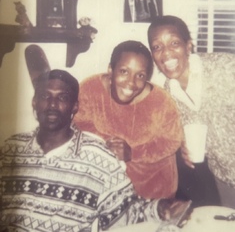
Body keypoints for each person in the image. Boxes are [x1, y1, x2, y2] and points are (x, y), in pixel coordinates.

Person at [0, 69, 191, 231]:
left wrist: (162, 208)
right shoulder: (10, 150)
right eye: (45, 96)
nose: (52, 104)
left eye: (62, 98)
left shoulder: (98, 158)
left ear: (74, 107)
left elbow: (127, 212)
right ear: (34, 102)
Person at [73, 40, 183, 200]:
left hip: (154, 191)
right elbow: (80, 123)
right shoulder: (90, 89)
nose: (131, 83)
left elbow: (171, 141)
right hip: (106, 190)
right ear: (111, 69)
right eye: (124, 71)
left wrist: (132, 152)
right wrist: (106, 144)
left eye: (140, 75)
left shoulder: (162, 102)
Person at [147, 15, 235, 208]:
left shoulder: (226, 67)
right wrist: (183, 149)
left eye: (174, 43)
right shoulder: (166, 97)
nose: (166, 53)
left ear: (189, 46)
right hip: (225, 183)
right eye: (157, 47)